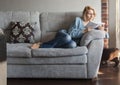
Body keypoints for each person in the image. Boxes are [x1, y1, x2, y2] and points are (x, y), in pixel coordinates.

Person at [31, 6, 109, 49]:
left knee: (72, 45)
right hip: (64, 34)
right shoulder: (78, 20)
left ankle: (44, 43)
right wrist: (84, 31)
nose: (91, 15)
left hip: (73, 41)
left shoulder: (93, 25)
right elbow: (70, 33)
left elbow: (107, 36)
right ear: (85, 13)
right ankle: (41, 46)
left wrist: (102, 31)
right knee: (67, 38)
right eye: (89, 13)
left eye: (93, 14)